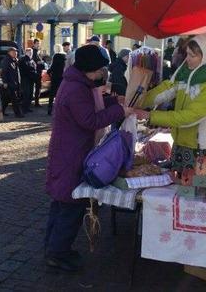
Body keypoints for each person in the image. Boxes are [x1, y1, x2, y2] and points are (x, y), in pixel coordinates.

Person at [45, 45, 143, 272]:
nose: (103, 73)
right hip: (70, 154)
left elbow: (95, 107)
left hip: (70, 151)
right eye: (101, 69)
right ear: (91, 69)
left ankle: (53, 248)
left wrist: (115, 103)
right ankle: (57, 254)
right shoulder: (76, 89)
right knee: (70, 205)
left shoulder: (80, 83)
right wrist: (121, 111)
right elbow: (90, 119)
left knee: (61, 204)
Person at [141, 34, 206, 168]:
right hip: (180, 143)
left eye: (192, 55)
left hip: (200, 148)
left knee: (194, 187)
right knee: (178, 185)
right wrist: (139, 100)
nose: (187, 59)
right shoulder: (185, 75)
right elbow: (166, 90)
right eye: (187, 54)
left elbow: (189, 117)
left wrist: (149, 116)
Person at [0, 47, 23, 118]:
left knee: (6, 99)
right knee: (14, 99)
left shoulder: (14, 60)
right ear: (9, 52)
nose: (16, 53)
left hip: (14, 82)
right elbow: (4, 72)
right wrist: (5, 82)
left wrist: (16, 61)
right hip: (10, 82)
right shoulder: (7, 60)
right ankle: (18, 114)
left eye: (16, 52)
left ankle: (2, 111)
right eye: (14, 52)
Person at [47, 44, 66, 116]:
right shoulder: (64, 56)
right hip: (62, 77)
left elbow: (53, 67)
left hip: (55, 77)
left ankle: (50, 109)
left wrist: (48, 72)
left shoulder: (56, 56)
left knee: (52, 94)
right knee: (61, 94)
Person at [19, 48, 39, 113]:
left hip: (31, 79)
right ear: (26, 52)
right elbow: (26, 68)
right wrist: (33, 69)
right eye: (29, 52)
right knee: (26, 94)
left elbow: (35, 67)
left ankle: (27, 107)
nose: (30, 53)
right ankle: (24, 108)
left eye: (31, 52)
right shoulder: (23, 59)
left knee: (30, 94)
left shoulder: (31, 60)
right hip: (25, 79)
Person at [31, 39, 45, 107]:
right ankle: (36, 102)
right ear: (33, 44)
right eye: (37, 43)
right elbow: (33, 62)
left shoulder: (37, 51)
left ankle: (36, 102)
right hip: (35, 73)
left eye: (39, 43)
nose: (38, 45)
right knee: (36, 87)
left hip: (38, 72)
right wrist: (40, 62)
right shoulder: (33, 51)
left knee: (38, 87)